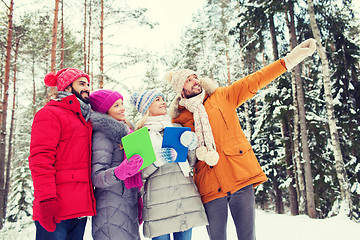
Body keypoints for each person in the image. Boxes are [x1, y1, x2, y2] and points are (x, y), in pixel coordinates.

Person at [165, 38, 317, 240]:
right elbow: (178, 155)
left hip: (239, 176)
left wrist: (290, 59)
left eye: (196, 77)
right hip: (209, 185)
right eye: (189, 79)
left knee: (247, 236)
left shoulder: (222, 96)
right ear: (180, 88)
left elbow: (255, 80)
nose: (196, 81)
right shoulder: (179, 119)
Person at [130, 89, 208, 240]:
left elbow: (190, 163)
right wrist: (157, 161)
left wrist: (191, 146)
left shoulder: (177, 129)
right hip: (159, 204)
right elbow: (138, 175)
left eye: (163, 99)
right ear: (147, 107)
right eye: (157, 99)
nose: (163, 102)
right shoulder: (139, 136)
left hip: (183, 198)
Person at [28, 68, 96, 240]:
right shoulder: (50, 113)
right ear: (66, 87)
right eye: (81, 84)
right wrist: (46, 200)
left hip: (79, 209)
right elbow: (40, 160)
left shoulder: (85, 119)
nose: (87, 88)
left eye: (88, 84)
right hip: (56, 208)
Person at [89, 89, 144, 240]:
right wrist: (121, 171)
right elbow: (97, 177)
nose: (122, 108)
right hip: (110, 207)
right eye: (116, 105)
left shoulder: (128, 133)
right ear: (104, 110)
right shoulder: (103, 134)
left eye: (122, 104)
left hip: (128, 203)